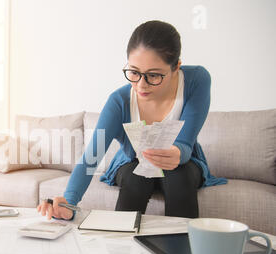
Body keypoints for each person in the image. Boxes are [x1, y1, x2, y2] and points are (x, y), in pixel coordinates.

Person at [37, 20, 227, 221]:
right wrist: (69, 202)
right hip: (132, 163)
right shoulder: (119, 101)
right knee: (136, 178)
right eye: (134, 72)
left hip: (182, 163)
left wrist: (177, 152)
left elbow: (186, 143)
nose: (141, 85)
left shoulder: (197, 80)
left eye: (154, 75)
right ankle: (121, 246)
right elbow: (91, 156)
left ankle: (182, 247)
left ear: (176, 67)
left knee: (178, 176)